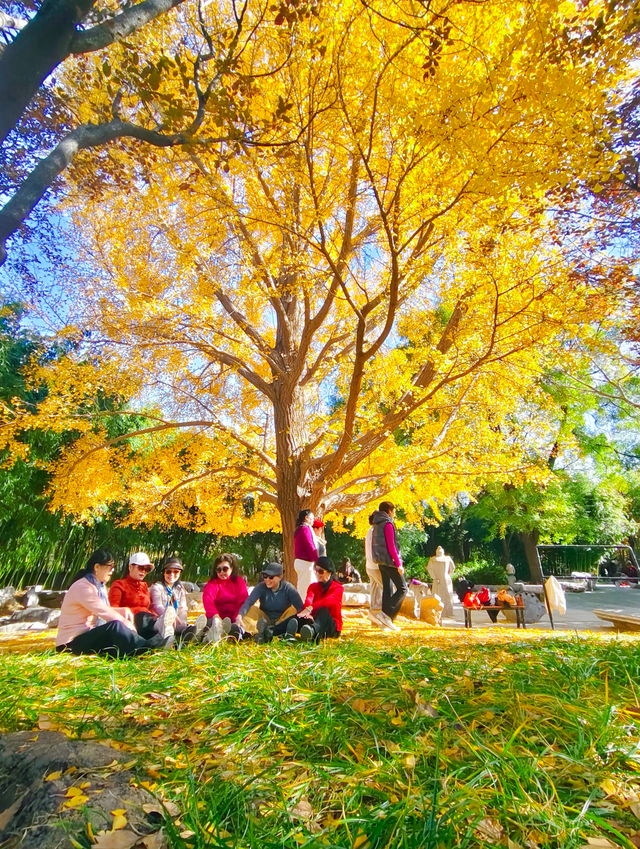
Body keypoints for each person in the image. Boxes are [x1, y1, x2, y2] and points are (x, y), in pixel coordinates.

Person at [56, 549, 173, 657]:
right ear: (97, 567)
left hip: (88, 636)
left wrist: (123, 611)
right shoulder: (83, 587)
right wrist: (124, 621)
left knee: (130, 625)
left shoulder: (97, 586)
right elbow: (103, 611)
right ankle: (147, 649)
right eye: (110, 567)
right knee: (115, 626)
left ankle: (161, 642)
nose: (112, 571)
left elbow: (105, 608)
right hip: (70, 644)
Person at [237, 562, 305, 643]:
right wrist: (239, 616)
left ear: (280, 577)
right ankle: (247, 632)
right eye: (265, 576)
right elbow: (249, 601)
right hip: (265, 619)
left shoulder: (288, 588)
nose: (267, 580)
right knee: (251, 609)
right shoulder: (261, 587)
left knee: (293, 610)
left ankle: (283, 632)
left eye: (271, 577)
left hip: (282, 620)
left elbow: (300, 607)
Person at [149, 557, 207, 642]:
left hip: (176, 622)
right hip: (160, 621)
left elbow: (182, 608)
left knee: (183, 627)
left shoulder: (180, 589)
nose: (171, 575)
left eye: (175, 571)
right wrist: (170, 616)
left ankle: (194, 632)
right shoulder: (157, 587)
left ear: (180, 573)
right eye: (168, 571)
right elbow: (157, 606)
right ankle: (190, 633)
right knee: (171, 626)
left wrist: (182, 622)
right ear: (163, 573)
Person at [370, 501, 407, 627]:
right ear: (389, 511)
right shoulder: (388, 524)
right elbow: (391, 547)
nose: (394, 513)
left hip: (380, 561)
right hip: (389, 561)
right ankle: (387, 614)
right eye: (393, 511)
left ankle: (385, 620)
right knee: (403, 588)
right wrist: (398, 564)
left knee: (387, 588)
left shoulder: (376, 524)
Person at [291, 556, 343, 642]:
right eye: (315, 570)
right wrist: (307, 612)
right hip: (314, 620)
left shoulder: (338, 588)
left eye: (321, 571)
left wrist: (310, 608)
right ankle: (274, 630)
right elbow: (309, 599)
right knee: (298, 616)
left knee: (324, 610)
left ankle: (312, 631)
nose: (317, 574)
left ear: (329, 573)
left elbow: (328, 601)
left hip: (331, 626)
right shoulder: (313, 586)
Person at [108, 551, 157, 638]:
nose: (144, 572)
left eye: (147, 569)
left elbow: (149, 608)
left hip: (146, 621)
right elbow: (112, 609)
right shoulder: (119, 584)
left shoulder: (144, 585)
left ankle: (183, 632)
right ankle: (159, 627)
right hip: (129, 622)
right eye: (141, 568)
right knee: (143, 617)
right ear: (130, 567)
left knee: (149, 619)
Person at [202, 553, 249, 642]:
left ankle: (230, 633)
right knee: (211, 623)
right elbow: (208, 601)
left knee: (238, 627)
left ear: (232, 568)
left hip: (235, 618)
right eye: (218, 570)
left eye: (225, 569)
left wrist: (237, 618)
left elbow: (242, 601)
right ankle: (210, 633)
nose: (222, 572)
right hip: (216, 618)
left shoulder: (239, 582)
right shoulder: (212, 584)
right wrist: (216, 616)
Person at [364, 517, 388, 630]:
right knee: (389, 590)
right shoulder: (376, 531)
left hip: (369, 565)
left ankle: (375, 622)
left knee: (375, 593)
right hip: (376, 565)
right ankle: (374, 613)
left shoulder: (370, 530)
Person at [293, 510, 318, 600]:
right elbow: (310, 545)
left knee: (312, 586)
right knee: (305, 590)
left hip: (303, 563)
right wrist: (317, 560)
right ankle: (301, 610)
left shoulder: (300, 529)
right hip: (305, 563)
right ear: (306, 517)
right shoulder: (305, 529)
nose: (313, 520)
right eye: (312, 517)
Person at [426, 546, 456, 618]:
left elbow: (452, 567)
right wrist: (434, 577)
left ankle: (448, 611)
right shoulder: (433, 559)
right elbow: (429, 568)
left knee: (447, 595)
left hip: (445, 579)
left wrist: (448, 575)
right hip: (437, 580)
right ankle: (437, 611)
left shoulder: (447, 558)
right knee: (437, 595)